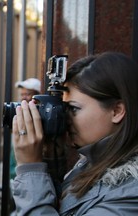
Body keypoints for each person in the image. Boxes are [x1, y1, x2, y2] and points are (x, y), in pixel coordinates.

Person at [11, 52, 138, 215]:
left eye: (73, 108)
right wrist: (50, 158)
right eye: (64, 108)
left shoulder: (130, 192)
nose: (65, 118)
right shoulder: (93, 162)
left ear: (116, 111)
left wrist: (30, 168)